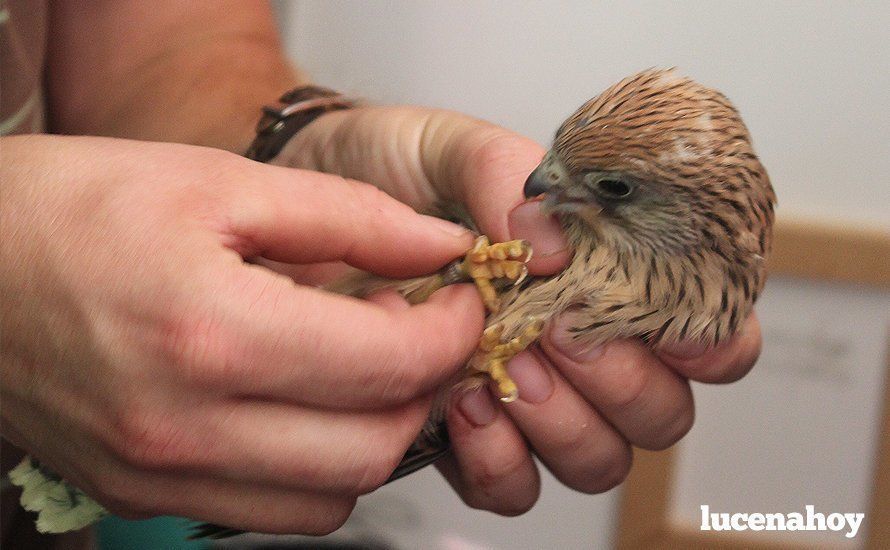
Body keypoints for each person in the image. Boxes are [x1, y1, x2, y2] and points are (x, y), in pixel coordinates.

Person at [0, 1, 763, 547]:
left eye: (610, 189)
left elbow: (160, 39)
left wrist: (291, 146)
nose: (538, 186)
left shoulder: (665, 288)